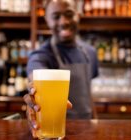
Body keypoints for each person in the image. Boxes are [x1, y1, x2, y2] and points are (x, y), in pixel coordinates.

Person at [23, 0, 99, 138]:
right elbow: (35, 78)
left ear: (78, 15)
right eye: (56, 16)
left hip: (88, 131)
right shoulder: (41, 55)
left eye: (69, 14)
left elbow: (88, 93)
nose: (64, 22)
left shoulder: (90, 52)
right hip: (58, 132)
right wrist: (34, 98)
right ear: (47, 20)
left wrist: (96, 121)